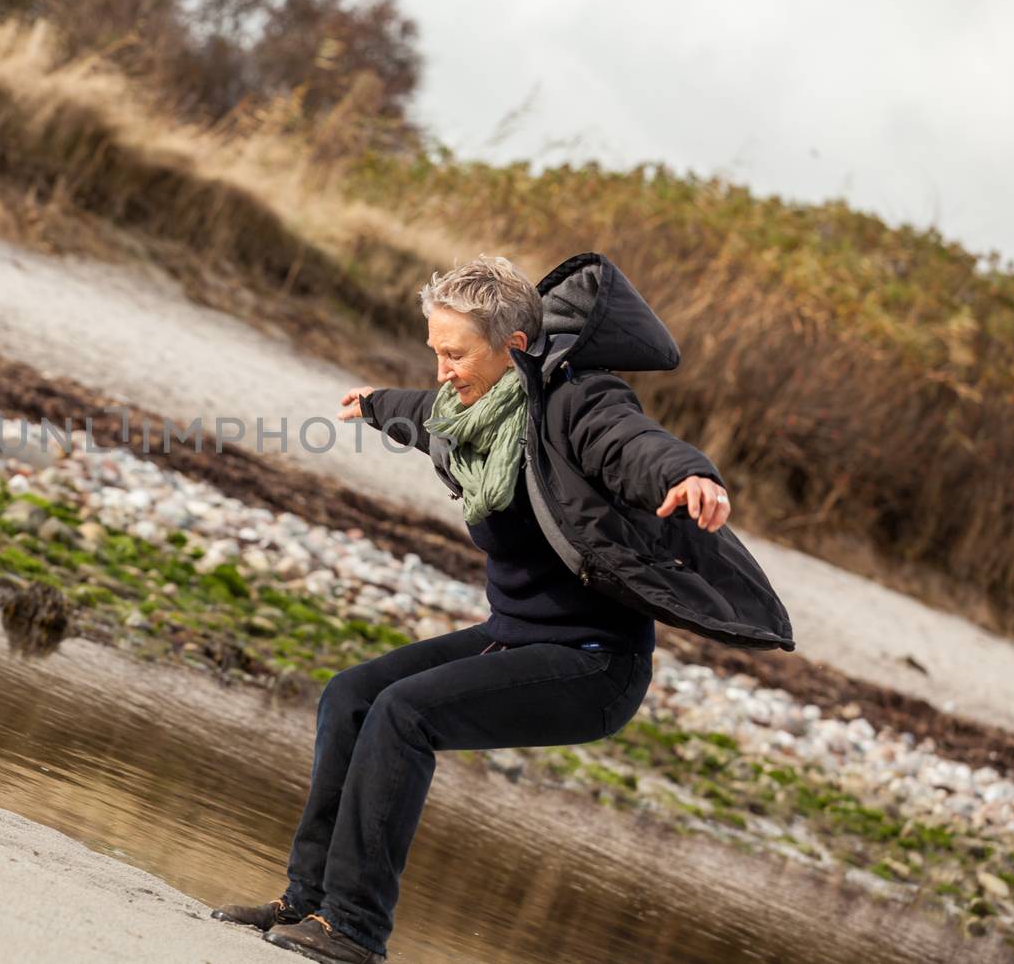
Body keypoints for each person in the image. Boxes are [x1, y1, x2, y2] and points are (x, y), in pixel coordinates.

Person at [211, 252, 794, 963]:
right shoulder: (474, 412)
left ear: (513, 347)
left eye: (455, 353)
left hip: (592, 664)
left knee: (406, 714)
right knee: (354, 695)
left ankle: (354, 927)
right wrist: (373, 405)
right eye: (435, 350)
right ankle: (307, 899)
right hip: (515, 638)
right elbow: (423, 412)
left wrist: (693, 474)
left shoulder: (578, 403)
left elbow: (635, 445)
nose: (442, 369)